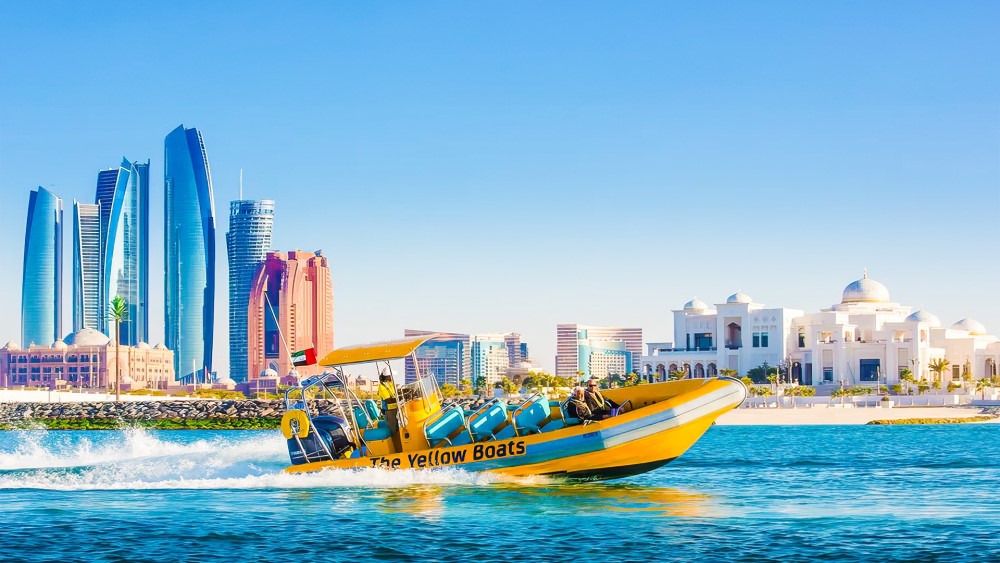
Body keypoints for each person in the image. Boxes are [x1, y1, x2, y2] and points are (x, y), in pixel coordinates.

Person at [377, 371, 402, 452]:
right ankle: (395, 450)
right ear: (386, 376)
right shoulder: (382, 386)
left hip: (396, 409)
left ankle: (400, 446)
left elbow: (395, 394)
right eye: (390, 375)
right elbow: (388, 400)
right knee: (392, 430)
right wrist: (401, 398)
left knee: (399, 429)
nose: (392, 377)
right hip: (389, 411)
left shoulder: (390, 384)